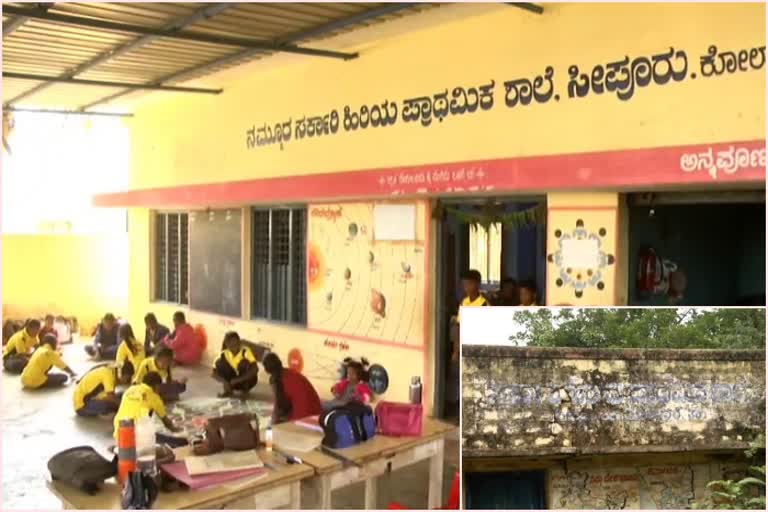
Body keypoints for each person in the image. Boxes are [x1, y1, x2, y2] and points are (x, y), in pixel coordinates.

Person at [113, 372, 180, 440]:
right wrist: (178, 430)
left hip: (119, 432)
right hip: (136, 436)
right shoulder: (154, 397)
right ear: (156, 386)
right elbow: (166, 422)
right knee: (167, 440)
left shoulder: (130, 389)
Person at [263, 352, 322, 424]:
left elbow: (280, 406)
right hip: (314, 412)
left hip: (307, 418)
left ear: (267, 370)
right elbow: (280, 404)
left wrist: (273, 422)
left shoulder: (280, 380)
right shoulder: (288, 374)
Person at [212, 331, 259, 398]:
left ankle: (245, 389)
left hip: (245, 381)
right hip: (231, 383)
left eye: (235, 343)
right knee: (220, 363)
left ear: (239, 342)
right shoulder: (223, 354)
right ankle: (228, 390)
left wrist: (238, 379)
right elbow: (213, 373)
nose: (233, 346)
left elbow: (255, 369)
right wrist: (225, 382)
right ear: (226, 344)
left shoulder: (245, 351)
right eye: (230, 344)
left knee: (244, 363)